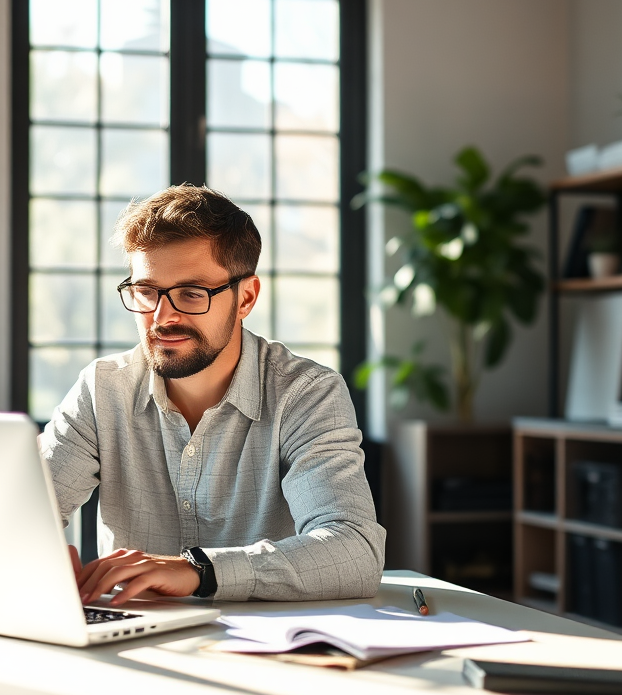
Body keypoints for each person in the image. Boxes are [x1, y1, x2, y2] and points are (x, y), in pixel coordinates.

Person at [39, 183, 385, 604]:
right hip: (130, 640)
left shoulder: (306, 394)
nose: (162, 317)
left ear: (246, 298)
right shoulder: (101, 390)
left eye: (191, 293)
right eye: (147, 292)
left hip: (266, 648)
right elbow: (19, 513)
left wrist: (199, 571)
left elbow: (355, 550)